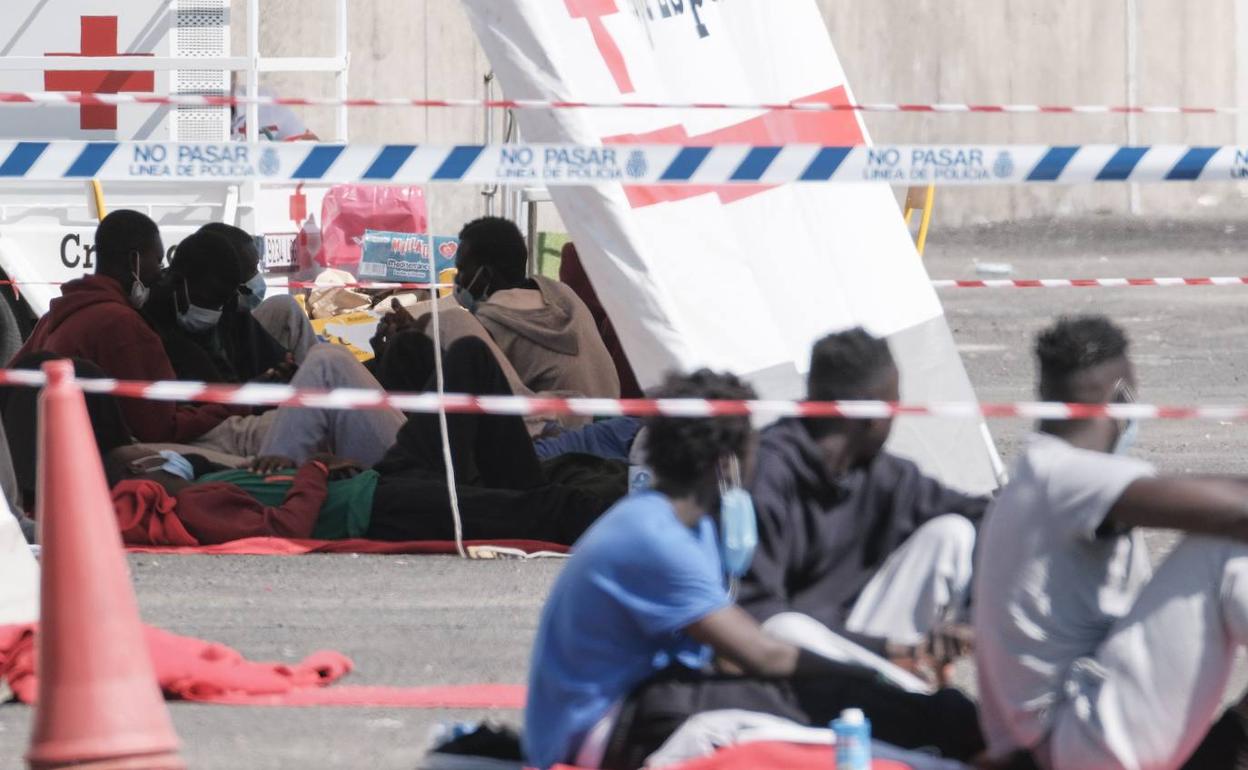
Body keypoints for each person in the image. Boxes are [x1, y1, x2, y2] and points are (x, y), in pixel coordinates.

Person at [524, 370, 983, 770]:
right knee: (805, 708)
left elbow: (731, 651)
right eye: (751, 448)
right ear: (724, 461)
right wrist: (872, 669)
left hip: (647, 697)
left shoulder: (682, 522)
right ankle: (935, 737)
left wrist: (879, 659)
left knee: (809, 674)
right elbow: (760, 654)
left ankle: (934, 720)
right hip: (606, 727)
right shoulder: (655, 537)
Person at [974, 315, 1248, 770]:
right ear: (1123, 398)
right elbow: (1234, 508)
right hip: (1078, 739)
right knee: (1221, 550)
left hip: (1070, 734)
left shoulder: (1037, 474)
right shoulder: (1064, 475)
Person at [738, 328, 987, 681]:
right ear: (874, 413)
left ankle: (898, 682)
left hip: (866, 641)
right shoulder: (768, 474)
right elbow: (756, 610)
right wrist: (887, 650)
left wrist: (967, 619)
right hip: (794, 655)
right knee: (785, 626)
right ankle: (901, 690)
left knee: (954, 532)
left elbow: (985, 515)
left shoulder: (882, 473)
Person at [9, 210, 239, 444]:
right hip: (106, 461)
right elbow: (160, 430)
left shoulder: (55, 315)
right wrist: (224, 410)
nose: (160, 274)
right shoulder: (121, 324)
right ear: (134, 261)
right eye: (157, 261)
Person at [199, 221, 317, 365]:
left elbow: (274, 353)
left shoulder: (237, 314)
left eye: (256, 268)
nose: (256, 278)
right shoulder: (199, 323)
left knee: (284, 305)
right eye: (250, 270)